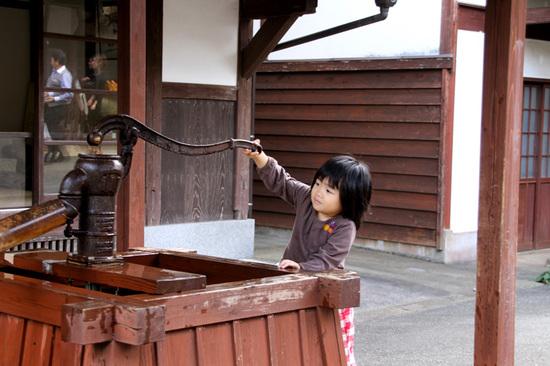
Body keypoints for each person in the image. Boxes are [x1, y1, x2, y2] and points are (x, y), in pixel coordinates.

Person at [243, 141, 372, 366]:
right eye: (318, 183)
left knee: (328, 346)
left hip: (326, 292)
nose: (318, 193)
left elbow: (327, 260)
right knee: (291, 338)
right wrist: (258, 156)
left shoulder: (345, 226)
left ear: (349, 198)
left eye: (329, 190)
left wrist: (301, 268)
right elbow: (281, 181)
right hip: (293, 281)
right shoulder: (305, 198)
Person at [44, 49, 73, 163]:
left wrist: (54, 98)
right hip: (51, 106)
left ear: (57, 61)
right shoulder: (54, 72)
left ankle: (55, 151)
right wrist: (49, 93)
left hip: (58, 107)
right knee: (51, 129)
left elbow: (69, 93)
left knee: (54, 130)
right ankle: (56, 152)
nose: (50, 62)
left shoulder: (65, 75)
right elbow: (58, 89)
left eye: (51, 60)